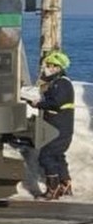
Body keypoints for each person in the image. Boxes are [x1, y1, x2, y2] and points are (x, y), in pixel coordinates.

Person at [23, 50, 75, 200]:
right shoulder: (59, 83)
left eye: (48, 65)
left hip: (58, 127)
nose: (45, 68)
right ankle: (65, 185)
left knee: (47, 156)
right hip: (60, 126)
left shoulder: (61, 83)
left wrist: (39, 104)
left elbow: (56, 103)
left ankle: (53, 188)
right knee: (58, 156)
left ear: (56, 68)